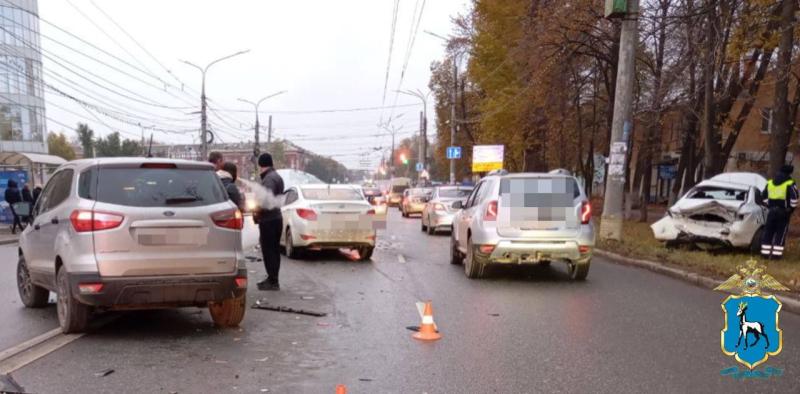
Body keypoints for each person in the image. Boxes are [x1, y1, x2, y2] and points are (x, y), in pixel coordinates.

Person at [256, 152, 284, 291]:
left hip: (269, 220)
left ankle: (273, 281)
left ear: (260, 164)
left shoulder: (269, 179)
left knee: (269, 251)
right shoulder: (276, 176)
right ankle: (273, 278)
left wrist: (257, 211)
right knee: (274, 250)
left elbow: (266, 200)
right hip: (276, 218)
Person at [760, 164, 798, 260]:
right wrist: (791, 209)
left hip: (771, 211)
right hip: (783, 212)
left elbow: (764, 197)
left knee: (768, 231)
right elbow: (794, 199)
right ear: (789, 173)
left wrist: (768, 205)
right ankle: (776, 256)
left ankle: (765, 254)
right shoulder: (790, 184)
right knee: (780, 233)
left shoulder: (770, 183)